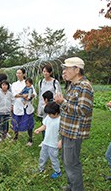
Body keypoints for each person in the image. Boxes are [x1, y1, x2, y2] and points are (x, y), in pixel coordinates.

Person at [54, 57, 94, 191]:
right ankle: (72, 186)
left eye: (67, 68)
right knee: (66, 160)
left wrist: (62, 102)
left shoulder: (85, 87)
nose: (64, 71)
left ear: (77, 70)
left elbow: (82, 110)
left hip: (74, 131)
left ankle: (77, 189)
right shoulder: (73, 85)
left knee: (72, 163)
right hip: (67, 129)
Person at [34, 102, 62, 179]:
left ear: (56, 113)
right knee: (42, 156)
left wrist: (61, 141)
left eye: (50, 114)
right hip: (46, 142)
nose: (49, 115)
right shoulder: (48, 118)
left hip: (54, 144)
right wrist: (39, 129)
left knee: (53, 158)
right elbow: (44, 126)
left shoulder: (60, 120)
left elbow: (64, 132)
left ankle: (57, 171)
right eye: (48, 114)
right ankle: (40, 168)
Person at [37, 65, 62, 146]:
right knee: (44, 122)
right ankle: (44, 140)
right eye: (44, 71)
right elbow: (40, 95)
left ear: (50, 72)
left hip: (52, 105)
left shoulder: (55, 82)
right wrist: (39, 106)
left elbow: (58, 93)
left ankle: (53, 140)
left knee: (51, 123)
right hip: (43, 104)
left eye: (47, 72)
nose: (45, 73)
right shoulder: (41, 82)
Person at [11, 68, 37, 146]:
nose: (18, 75)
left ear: (24, 74)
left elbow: (34, 94)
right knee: (16, 122)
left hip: (27, 106)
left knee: (29, 123)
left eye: (20, 73)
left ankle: (30, 139)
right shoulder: (14, 84)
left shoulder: (28, 83)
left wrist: (29, 96)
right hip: (18, 105)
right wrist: (23, 95)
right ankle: (15, 138)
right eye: (17, 73)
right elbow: (14, 94)